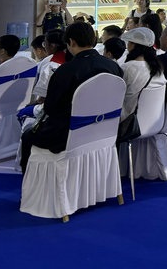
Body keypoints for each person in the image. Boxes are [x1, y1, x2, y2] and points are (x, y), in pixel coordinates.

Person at [19, 22, 122, 172]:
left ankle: (31, 184)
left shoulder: (65, 70)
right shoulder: (114, 67)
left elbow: (51, 108)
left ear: (71, 42)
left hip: (69, 135)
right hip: (105, 131)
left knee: (28, 136)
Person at [119, 27, 165, 121]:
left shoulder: (127, 68)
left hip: (128, 122)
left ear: (133, 45)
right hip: (154, 120)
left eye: (129, 42)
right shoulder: (158, 67)